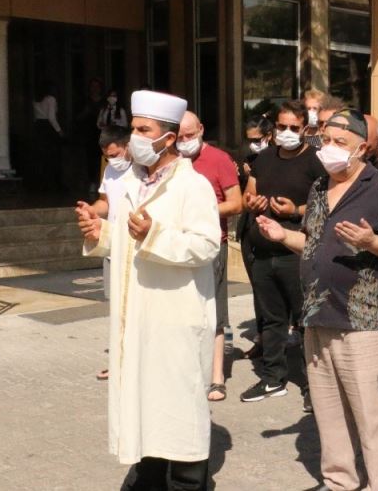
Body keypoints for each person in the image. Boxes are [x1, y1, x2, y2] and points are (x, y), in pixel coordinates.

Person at [255, 107, 378, 491]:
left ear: (361, 148)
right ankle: (340, 482)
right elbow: (313, 243)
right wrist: (282, 235)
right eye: (325, 140)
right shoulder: (318, 187)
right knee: (329, 417)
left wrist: (371, 242)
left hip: (362, 322)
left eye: (339, 142)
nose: (328, 148)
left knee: (371, 416)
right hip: (317, 317)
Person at [76, 90, 220, 491]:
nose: (135, 137)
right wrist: (101, 232)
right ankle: (148, 476)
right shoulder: (131, 184)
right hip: (138, 319)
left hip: (175, 317)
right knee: (146, 406)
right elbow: (127, 241)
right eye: (135, 129)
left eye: (144, 130)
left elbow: (206, 245)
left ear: (168, 138)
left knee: (181, 409)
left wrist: (154, 234)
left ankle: (187, 483)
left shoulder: (193, 186)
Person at [240, 100, 326, 408]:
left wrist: (295, 210)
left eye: (293, 127)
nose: (286, 132)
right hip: (263, 252)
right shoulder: (264, 158)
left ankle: (313, 386)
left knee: (306, 321)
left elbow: (327, 204)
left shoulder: (316, 160)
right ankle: (272, 378)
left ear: (304, 128)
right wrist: (252, 203)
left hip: (297, 252)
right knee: (271, 319)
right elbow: (248, 194)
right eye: (281, 126)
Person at [177, 111, 243, 402]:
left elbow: (236, 203)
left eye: (189, 135)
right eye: (179, 137)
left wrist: (200, 211)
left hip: (212, 246)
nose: (184, 141)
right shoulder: (173, 161)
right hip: (178, 247)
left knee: (215, 313)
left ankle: (217, 377)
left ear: (201, 129)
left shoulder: (219, 159)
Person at [84, 125, 131, 382]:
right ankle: (119, 361)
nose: (112, 159)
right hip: (113, 249)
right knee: (116, 309)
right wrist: (91, 211)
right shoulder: (110, 170)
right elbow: (105, 202)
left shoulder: (142, 170)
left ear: (127, 145)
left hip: (135, 251)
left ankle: (132, 362)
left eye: (115, 154)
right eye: (107, 156)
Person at [237, 115, 275, 360]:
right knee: (258, 287)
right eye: (249, 140)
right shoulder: (247, 161)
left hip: (275, 228)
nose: (253, 144)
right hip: (249, 228)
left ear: (269, 136)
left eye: (257, 139)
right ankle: (262, 338)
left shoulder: (279, 158)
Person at [32, 80, 63, 191]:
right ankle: (53, 183)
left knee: (41, 157)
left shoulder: (36, 99)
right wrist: (59, 130)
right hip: (48, 128)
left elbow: (35, 116)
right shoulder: (51, 99)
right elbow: (51, 117)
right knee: (52, 157)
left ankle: (41, 184)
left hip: (39, 126)